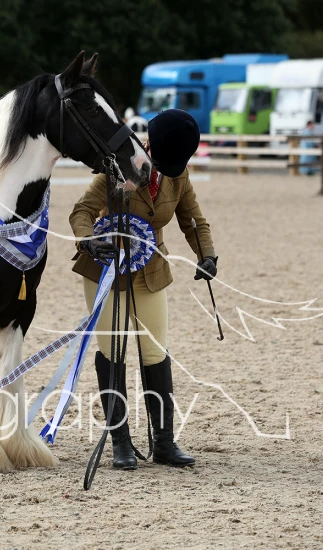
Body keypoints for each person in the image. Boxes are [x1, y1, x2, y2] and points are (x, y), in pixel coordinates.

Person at [69, 109, 217, 470]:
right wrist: (88, 240)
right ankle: (120, 442)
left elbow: (193, 220)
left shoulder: (178, 175)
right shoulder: (116, 167)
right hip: (107, 270)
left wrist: (207, 255)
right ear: (148, 144)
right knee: (112, 353)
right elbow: (82, 210)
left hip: (150, 270)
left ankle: (164, 442)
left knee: (155, 353)